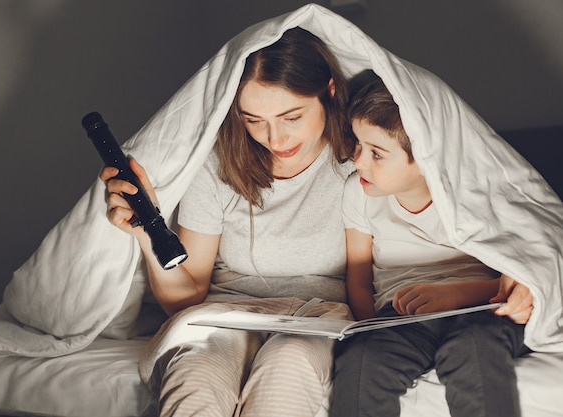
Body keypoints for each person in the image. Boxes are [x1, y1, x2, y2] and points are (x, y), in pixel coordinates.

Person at [101, 27, 357, 417]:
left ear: (330, 90)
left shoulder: (362, 159)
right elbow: (186, 296)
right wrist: (145, 232)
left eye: (292, 116)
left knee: (287, 366)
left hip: (320, 315)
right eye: (254, 120)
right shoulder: (219, 164)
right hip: (225, 313)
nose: (275, 138)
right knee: (197, 375)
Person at [329, 77, 533, 417]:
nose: (359, 161)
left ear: (424, 160)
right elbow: (359, 282)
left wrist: (455, 295)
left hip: (478, 309)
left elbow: (517, 278)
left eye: (377, 153)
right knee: (363, 360)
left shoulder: (470, 194)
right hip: (400, 316)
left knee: (474, 350)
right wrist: (371, 330)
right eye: (358, 145)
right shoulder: (358, 193)